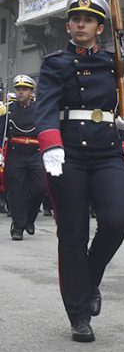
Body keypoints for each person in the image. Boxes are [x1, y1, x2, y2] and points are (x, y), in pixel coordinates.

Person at [36, 0, 124, 342]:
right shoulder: (55, 63)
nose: (81, 24)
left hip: (106, 150)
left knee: (117, 220)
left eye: (88, 20)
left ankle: (90, 278)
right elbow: (46, 106)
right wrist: (50, 143)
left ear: (100, 28)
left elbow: (120, 100)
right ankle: (78, 314)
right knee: (73, 234)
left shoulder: (113, 62)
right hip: (69, 154)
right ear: (68, 26)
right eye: (76, 19)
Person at [1, 75, 46, 240]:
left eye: (25, 89)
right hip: (16, 153)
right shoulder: (7, 110)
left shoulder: (40, 109)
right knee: (17, 191)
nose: (20, 92)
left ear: (31, 92)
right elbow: (1, 132)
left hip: (36, 152)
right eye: (18, 89)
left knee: (40, 188)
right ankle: (18, 227)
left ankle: (29, 219)